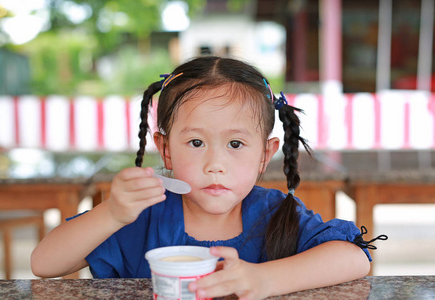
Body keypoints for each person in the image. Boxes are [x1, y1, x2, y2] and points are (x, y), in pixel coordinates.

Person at [31, 56, 386, 300]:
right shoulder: (142, 215)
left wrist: (264, 279)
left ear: (265, 153)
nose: (215, 163)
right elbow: (44, 264)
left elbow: (355, 257)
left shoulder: (277, 213)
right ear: (165, 149)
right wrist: (112, 214)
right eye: (196, 142)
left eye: (235, 143)